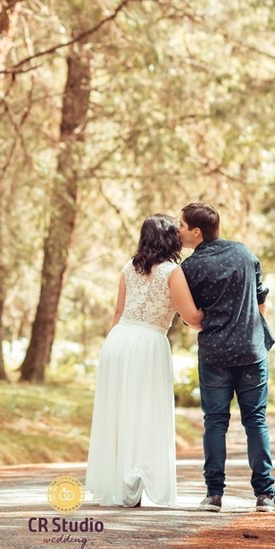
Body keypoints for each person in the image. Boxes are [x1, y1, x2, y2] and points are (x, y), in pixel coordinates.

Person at [85, 214, 204, 508]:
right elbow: (192, 317)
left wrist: (114, 346)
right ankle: (135, 478)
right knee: (145, 411)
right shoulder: (172, 272)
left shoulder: (129, 267)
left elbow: (118, 313)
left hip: (117, 341)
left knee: (119, 411)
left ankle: (121, 483)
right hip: (148, 343)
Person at [178, 202, 275, 513]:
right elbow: (261, 300)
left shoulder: (190, 268)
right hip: (251, 351)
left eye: (181, 225)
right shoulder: (243, 253)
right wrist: (249, 328)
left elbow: (191, 317)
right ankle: (265, 495)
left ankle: (214, 495)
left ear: (196, 232)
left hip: (215, 354)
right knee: (256, 421)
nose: (177, 230)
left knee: (215, 423)